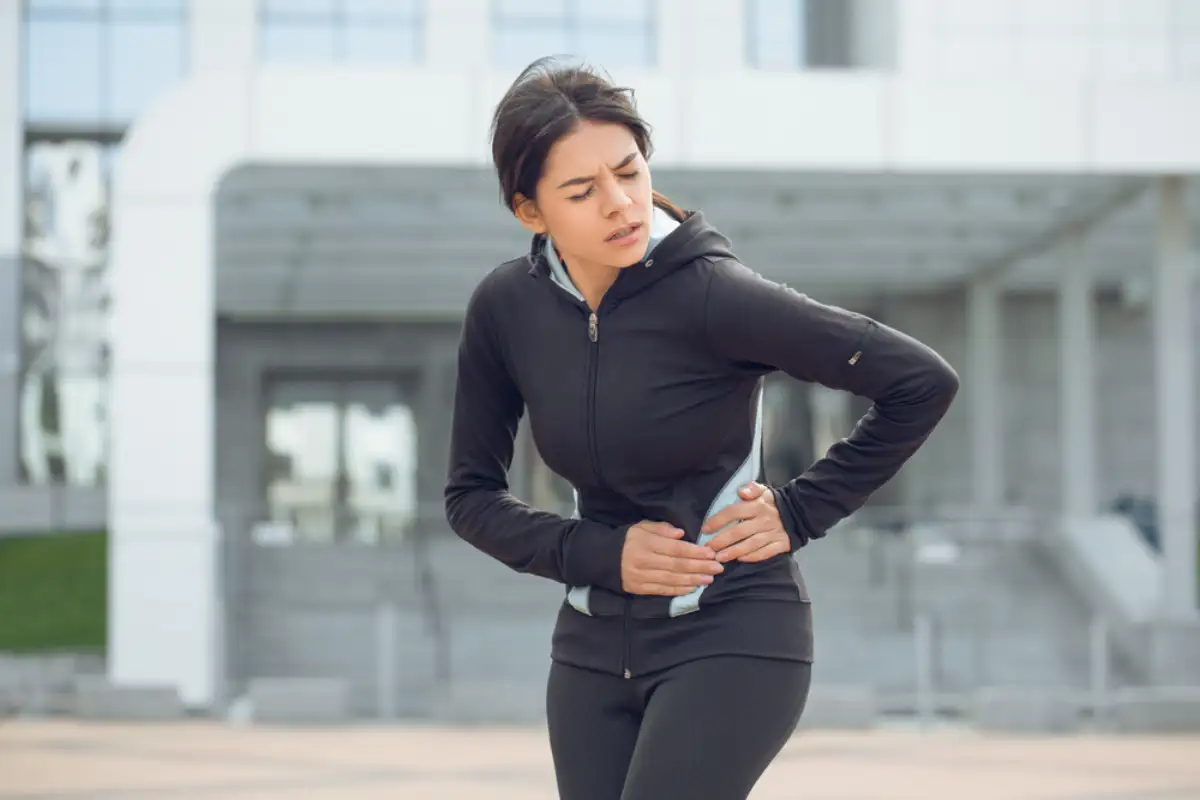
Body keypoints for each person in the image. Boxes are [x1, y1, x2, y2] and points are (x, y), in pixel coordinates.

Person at [444, 57, 960, 800]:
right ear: (532, 212)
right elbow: (470, 497)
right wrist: (595, 553)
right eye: (582, 191)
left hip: (732, 632)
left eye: (630, 171)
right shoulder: (505, 310)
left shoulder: (713, 294)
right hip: (590, 646)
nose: (620, 204)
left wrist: (799, 510)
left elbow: (920, 381)